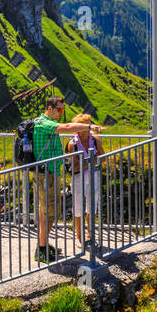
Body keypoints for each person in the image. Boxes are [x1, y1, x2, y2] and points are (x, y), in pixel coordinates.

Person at [32, 94, 101, 263]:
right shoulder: (44, 123)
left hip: (49, 172)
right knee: (50, 212)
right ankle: (41, 249)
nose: (62, 113)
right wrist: (89, 127)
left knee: (46, 211)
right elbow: (69, 126)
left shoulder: (48, 123)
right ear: (50, 108)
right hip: (46, 173)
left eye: (63, 109)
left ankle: (43, 245)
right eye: (59, 109)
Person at [65, 113, 104, 252]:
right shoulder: (72, 144)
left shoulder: (95, 139)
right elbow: (75, 166)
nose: (81, 132)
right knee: (78, 208)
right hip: (78, 178)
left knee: (92, 207)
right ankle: (79, 237)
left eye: (84, 129)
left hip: (93, 176)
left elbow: (102, 156)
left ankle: (90, 234)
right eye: (79, 129)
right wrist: (91, 162)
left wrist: (86, 163)